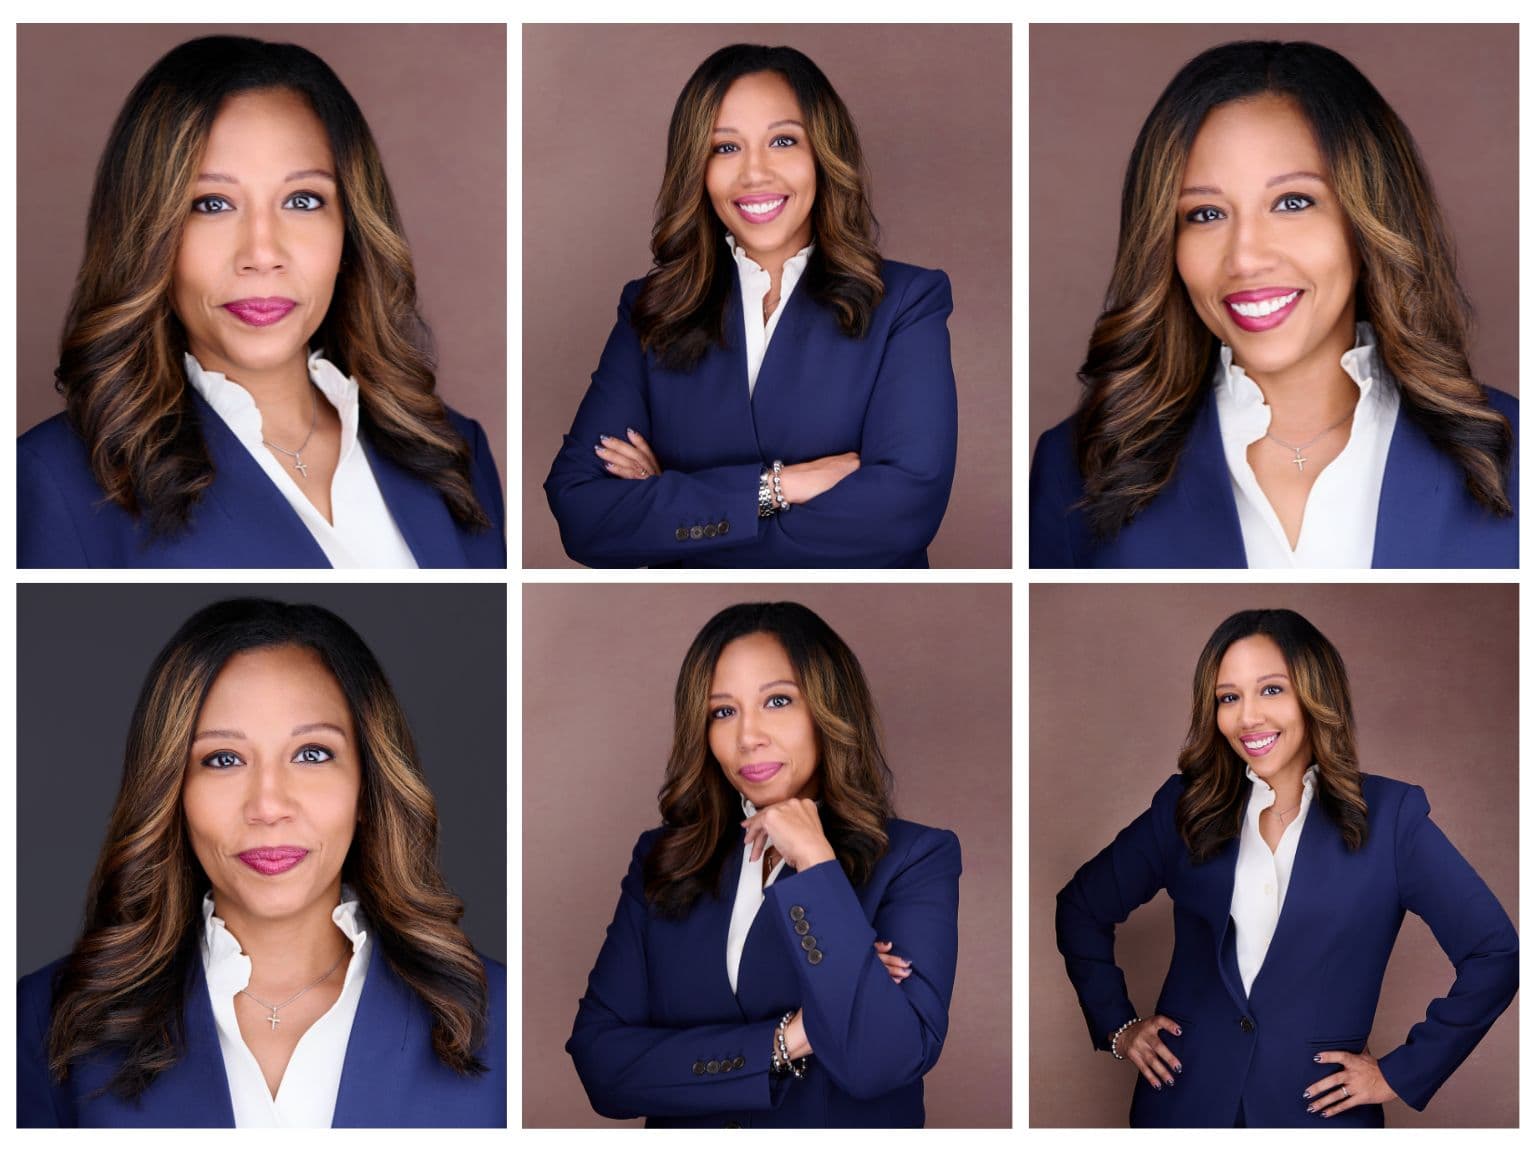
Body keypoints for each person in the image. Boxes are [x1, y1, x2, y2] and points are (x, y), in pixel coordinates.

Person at [18, 36, 505, 568]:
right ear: (148, 235)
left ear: (351, 230)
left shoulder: (453, 452)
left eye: (302, 201)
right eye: (211, 203)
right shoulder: (54, 480)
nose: (262, 253)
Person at [17, 599, 506, 1126]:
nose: (269, 806)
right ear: (172, 792)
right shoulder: (43, 1020)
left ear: (368, 788)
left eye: (312, 754)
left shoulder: (499, 1017)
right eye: (223, 760)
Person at [1029, 41, 1517, 568]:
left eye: (1293, 203)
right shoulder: (1076, 462)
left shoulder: (1520, 449)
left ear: (1369, 221)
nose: (1245, 258)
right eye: (1206, 214)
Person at [1055, 609, 1518, 1127]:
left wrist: (1400, 1073)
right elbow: (1081, 907)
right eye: (1229, 697)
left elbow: (1495, 952)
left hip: (1316, 1115)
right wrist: (1118, 1026)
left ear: (1316, 694)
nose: (1247, 717)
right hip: (1182, 1107)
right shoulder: (1185, 808)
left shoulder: (1391, 819)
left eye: (1270, 690)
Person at [544, 45, 957, 568]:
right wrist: (779, 487)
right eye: (725, 148)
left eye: (783, 140)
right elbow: (584, 514)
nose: (754, 173)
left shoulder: (905, 302)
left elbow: (903, 512)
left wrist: (674, 509)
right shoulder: (651, 310)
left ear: (823, 156)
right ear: (697, 169)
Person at [567, 602, 961, 1125]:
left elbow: (882, 1064)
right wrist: (789, 1038)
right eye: (722, 712)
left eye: (777, 701)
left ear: (829, 709)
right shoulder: (663, 859)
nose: (747, 735)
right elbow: (602, 1067)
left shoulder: (914, 859)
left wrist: (817, 865)